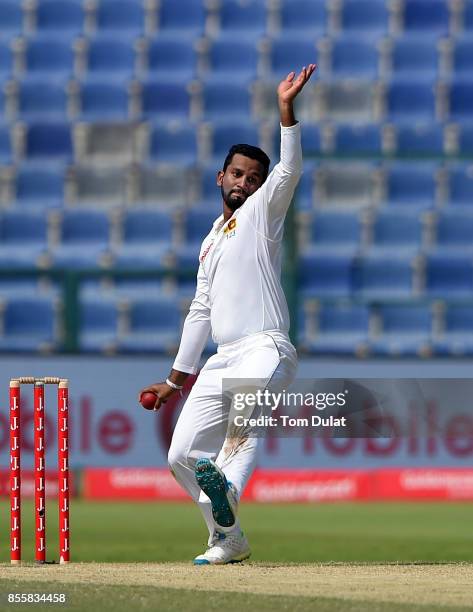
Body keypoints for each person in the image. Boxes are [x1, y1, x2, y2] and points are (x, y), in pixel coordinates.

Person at [139, 64, 317, 565]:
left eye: (253, 179)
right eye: (237, 174)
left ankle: (228, 493)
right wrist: (177, 380)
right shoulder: (210, 240)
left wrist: (286, 112)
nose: (245, 182)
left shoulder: (262, 215)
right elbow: (201, 309)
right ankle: (229, 537)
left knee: (244, 421)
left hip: (266, 347)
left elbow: (290, 170)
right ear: (221, 178)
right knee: (180, 457)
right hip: (222, 359)